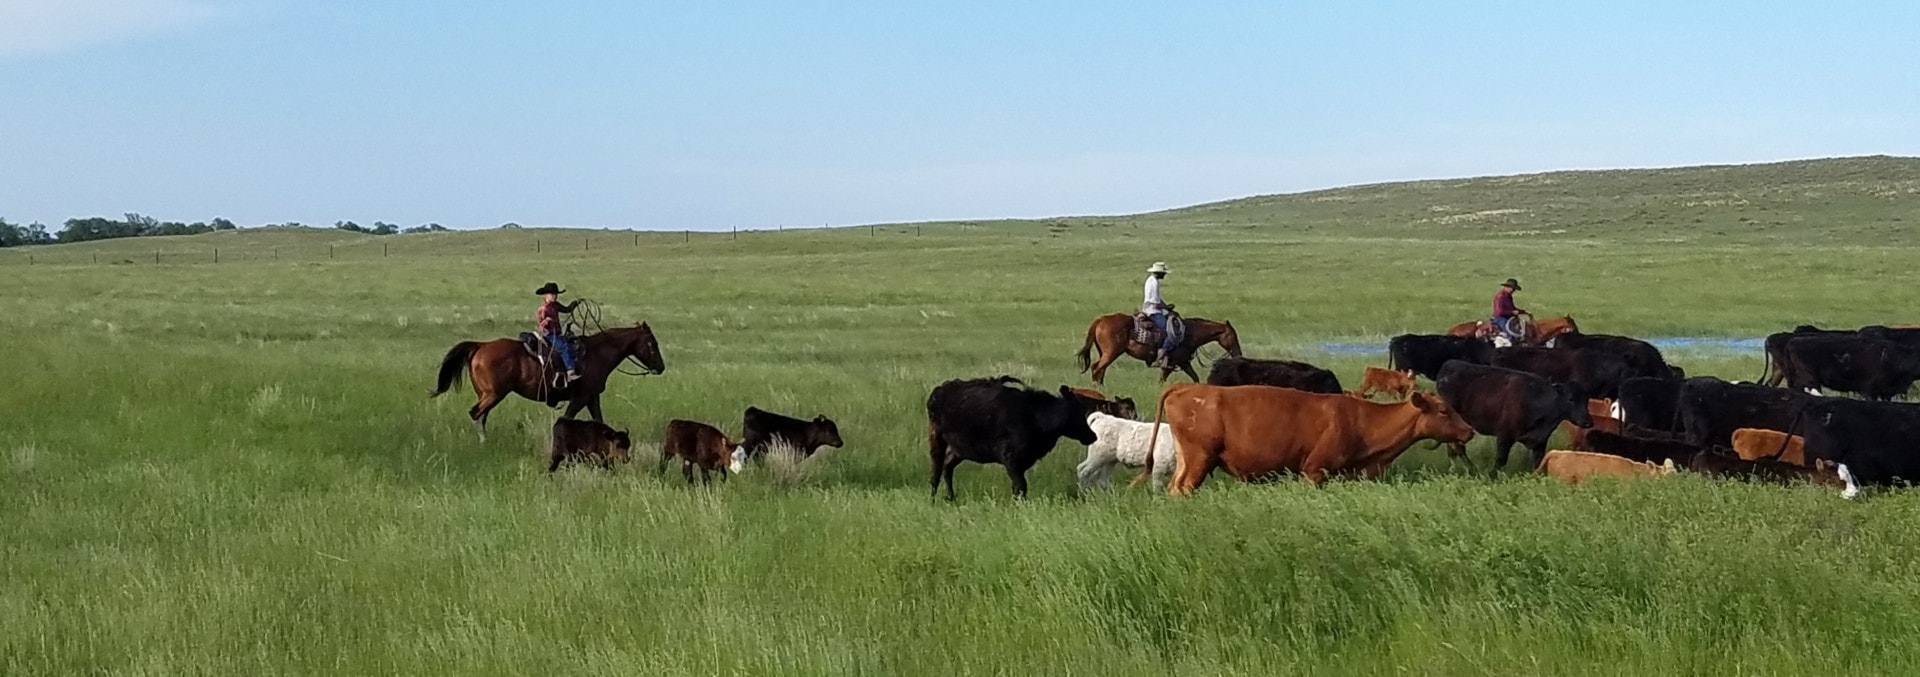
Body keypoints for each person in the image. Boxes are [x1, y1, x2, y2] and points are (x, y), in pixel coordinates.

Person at [535, 282, 582, 383]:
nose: (554, 296)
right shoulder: (543, 309)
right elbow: (541, 326)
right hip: (550, 335)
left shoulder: (555, 305)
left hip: (558, 333)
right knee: (564, 347)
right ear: (546, 295)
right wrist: (547, 321)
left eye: (555, 294)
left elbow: (566, 310)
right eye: (552, 294)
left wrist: (574, 304)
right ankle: (570, 371)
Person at [1143, 262, 1175, 367]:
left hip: (1151, 309)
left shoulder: (1151, 280)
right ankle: (1161, 355)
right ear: (1159, 273)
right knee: (1170, 332)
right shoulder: (1154, 283)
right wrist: (1166, 308)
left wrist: (1166, 306)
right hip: (1153, 311)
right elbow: (1155, 304)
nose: (1164, 275)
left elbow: (1157, 299)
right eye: (1163, 273)